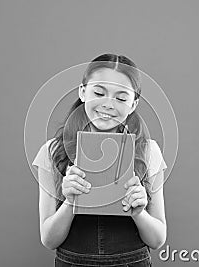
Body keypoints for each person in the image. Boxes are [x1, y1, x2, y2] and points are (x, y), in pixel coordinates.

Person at [32, 54, 167, 266]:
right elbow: (49, 240)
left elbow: (158, 239)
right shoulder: (52, 151)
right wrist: (70, 201)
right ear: (82, 92)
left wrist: (139, 213)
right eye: (99, 92)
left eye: (121, 98)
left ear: (133, 104)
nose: (108, 104)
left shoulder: (149, 151)